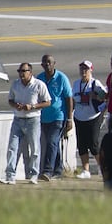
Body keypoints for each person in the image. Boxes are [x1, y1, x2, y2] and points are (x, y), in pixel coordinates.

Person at [0, 62, 51, 185]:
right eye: (19, 71)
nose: (21, 74)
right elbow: (10, 100)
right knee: (12, 147)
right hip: (18, 119)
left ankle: (33, 174)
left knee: (34, 148)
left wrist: (32, 106)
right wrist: (16, 105)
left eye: (23, 71)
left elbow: (47, 102)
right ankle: (10, 176)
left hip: (33, 120)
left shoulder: (38, 85)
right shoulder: (16, 84)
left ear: (30, 72)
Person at [35, 54, 73, 182]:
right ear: (42, 65)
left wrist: (69, 119)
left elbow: (69, 99)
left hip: (59, 116)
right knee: (53, 144)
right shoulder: (39, 78)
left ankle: (48, 171)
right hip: (44, 117)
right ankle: (58, 170)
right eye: (45, 63)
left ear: (54, 63)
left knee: (52, 142)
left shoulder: (61, 78)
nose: (47, 65)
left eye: (49, 62)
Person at [72, 59, 107, 179]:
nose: (83, 71)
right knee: (81, 145)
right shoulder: (76, 84)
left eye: (86, 69)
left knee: (93, 144)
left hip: (93, 117)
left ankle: (102, 167)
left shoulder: (95, 83)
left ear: (91, 70)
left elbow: (104, 96)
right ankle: (85, 170)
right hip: (79, 117)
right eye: (81, 68)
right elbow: (73, 99)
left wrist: (95, 96)